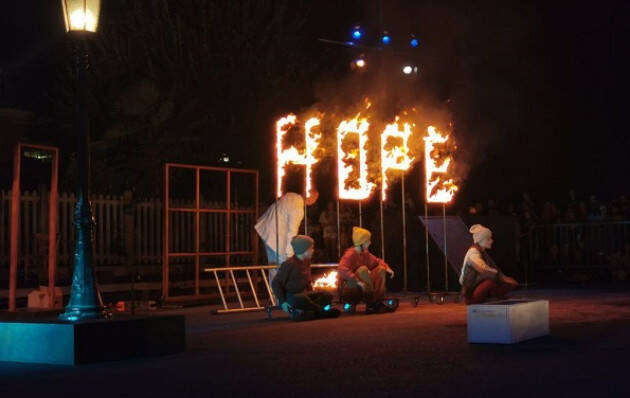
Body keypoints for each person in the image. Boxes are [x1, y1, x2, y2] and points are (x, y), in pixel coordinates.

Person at [255, 190, 318, 282]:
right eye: (315, 197)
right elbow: (292, 231)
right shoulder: (298, 208)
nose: (315, 200)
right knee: (282, 268)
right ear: (310, 197)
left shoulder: (291, 195)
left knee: (275, 268)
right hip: (275, 236)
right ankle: (279, 295)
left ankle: (275, 294)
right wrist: (289, 254)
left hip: (268, 230)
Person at [271, 235, 339, 321]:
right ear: (303, 250)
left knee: (326, 294)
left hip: (303, 294)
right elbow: (276, 283)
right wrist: (283, 302)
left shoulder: (306, 262)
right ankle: (319, 312)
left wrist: (312, 292)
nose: (313, 250)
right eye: (311, 248)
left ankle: (310, 313)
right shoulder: (289, 264)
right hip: (291, 296)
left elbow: (307, 281)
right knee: (299, 298)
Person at [338, 226, 395, 313]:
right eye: (368, 241)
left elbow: (377, 261)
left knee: (380, 269)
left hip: (362, 286)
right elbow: (341, 270)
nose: (370, 243)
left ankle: (377, 301)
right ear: (361, 243)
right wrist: (358, 282)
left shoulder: (365, 254)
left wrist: (387, 268)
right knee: (363, 270)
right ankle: (371, 302)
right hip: (350, 286)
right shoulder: (350, 254)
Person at [459, 224, 518, 305]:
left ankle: (493, 298)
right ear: (481, 240)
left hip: (473, 287)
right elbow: (483, 269)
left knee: (503, 282)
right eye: (489, 239)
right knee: (491, 283)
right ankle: (478, 300)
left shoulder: (479, 252)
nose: (491, 241)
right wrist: (502, 277)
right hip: (470, 293)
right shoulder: (472, 253)